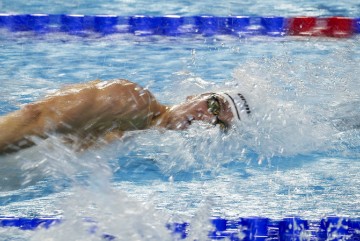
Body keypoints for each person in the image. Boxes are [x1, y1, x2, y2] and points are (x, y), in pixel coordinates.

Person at [0, 79, 251, 154]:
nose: (205, 116)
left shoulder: (140, 137)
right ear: (196, 95)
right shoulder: (131, 100)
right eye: (214, 104)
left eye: (218, 123)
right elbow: (35, 118)